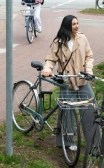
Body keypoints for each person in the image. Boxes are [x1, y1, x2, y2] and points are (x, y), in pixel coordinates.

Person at [41, 15, 95, 152]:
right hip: (66, 82)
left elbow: (89, 56)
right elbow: (50, 59)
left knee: (90, 109)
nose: (77, 26)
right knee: (67, 113)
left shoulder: (82, 38)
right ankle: (67, 141)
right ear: (67, 26)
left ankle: (95, 139)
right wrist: (47, 70)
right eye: (73, 24)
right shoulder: (58, 42)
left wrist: (88, 70)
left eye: (77, 23)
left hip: (82, 80)